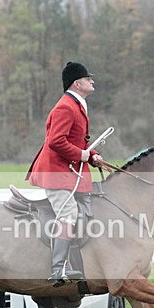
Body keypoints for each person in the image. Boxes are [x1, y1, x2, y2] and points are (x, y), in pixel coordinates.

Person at [27, 61, 103, 286]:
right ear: (77, 83)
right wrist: (83, 155)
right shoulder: (66, 107)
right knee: (68, 214)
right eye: (88, 78)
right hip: (57, 173)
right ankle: (58, 269)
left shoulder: (76, 105)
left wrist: (93, 154)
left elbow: (77, 140)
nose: (92, 81)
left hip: (68, 172)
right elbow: (56, 142)